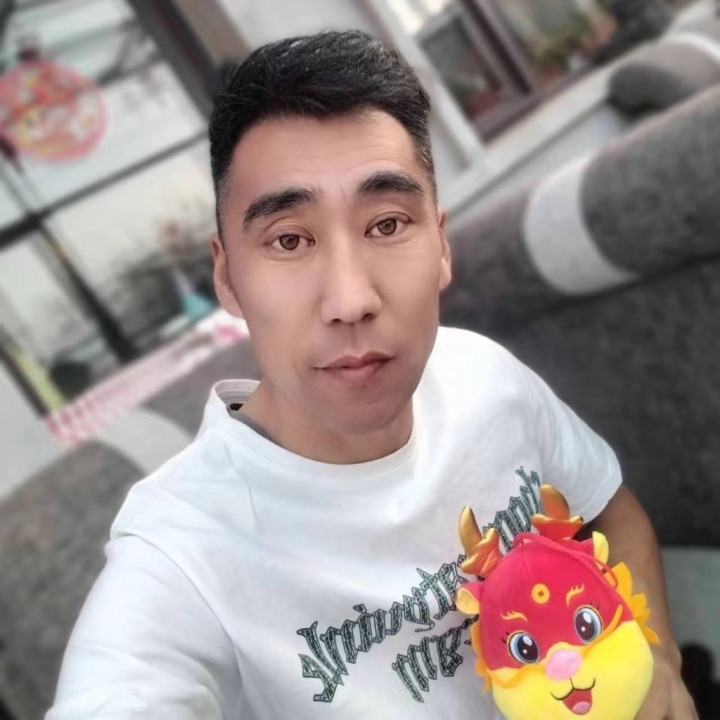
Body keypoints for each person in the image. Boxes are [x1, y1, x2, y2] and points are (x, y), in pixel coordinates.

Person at [47, 30, 697, 719]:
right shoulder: (183, 552)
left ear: (441, 242)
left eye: (386, 224)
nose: (351, 299)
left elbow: (609, 509)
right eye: (289, 239)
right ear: (227, 276)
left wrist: (656, 661)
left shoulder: (483, 376)